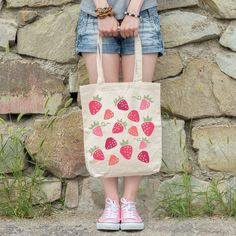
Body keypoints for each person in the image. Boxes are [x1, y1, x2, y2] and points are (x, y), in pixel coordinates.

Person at [75, 0, 165, 231]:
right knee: (103, 115)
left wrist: (133, 10)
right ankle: (111, 202)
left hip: (142, 14)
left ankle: (129, 202)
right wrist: (103, 10)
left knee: (139, 110)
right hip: (94, 16)